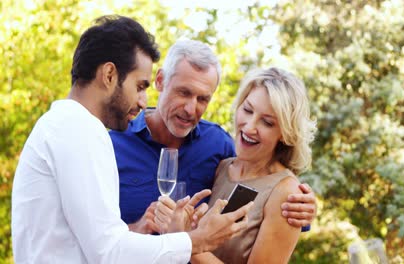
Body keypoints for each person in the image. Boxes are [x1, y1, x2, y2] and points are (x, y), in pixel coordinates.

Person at [11, 15, 252, 264]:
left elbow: (98, 243)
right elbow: (110, 252)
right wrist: (197, 240)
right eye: (139, 86)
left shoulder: (64, 126)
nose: (142, 101)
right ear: (109, 75)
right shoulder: (79, 131)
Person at [109, 39, 317, 235]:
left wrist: (302, 207)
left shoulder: (218, 145)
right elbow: (89, 236)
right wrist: (136, 229)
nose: (191, 109)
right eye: (184, 93)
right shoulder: (112, 145)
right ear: (161, 81)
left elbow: (263, 176)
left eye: (202, 99)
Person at [156, 67, 317, 263]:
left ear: (285, 132)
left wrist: (184, 240)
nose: (249, 126)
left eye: (267, 122)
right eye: (247, 110)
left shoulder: (287, 193)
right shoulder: (223, 168)